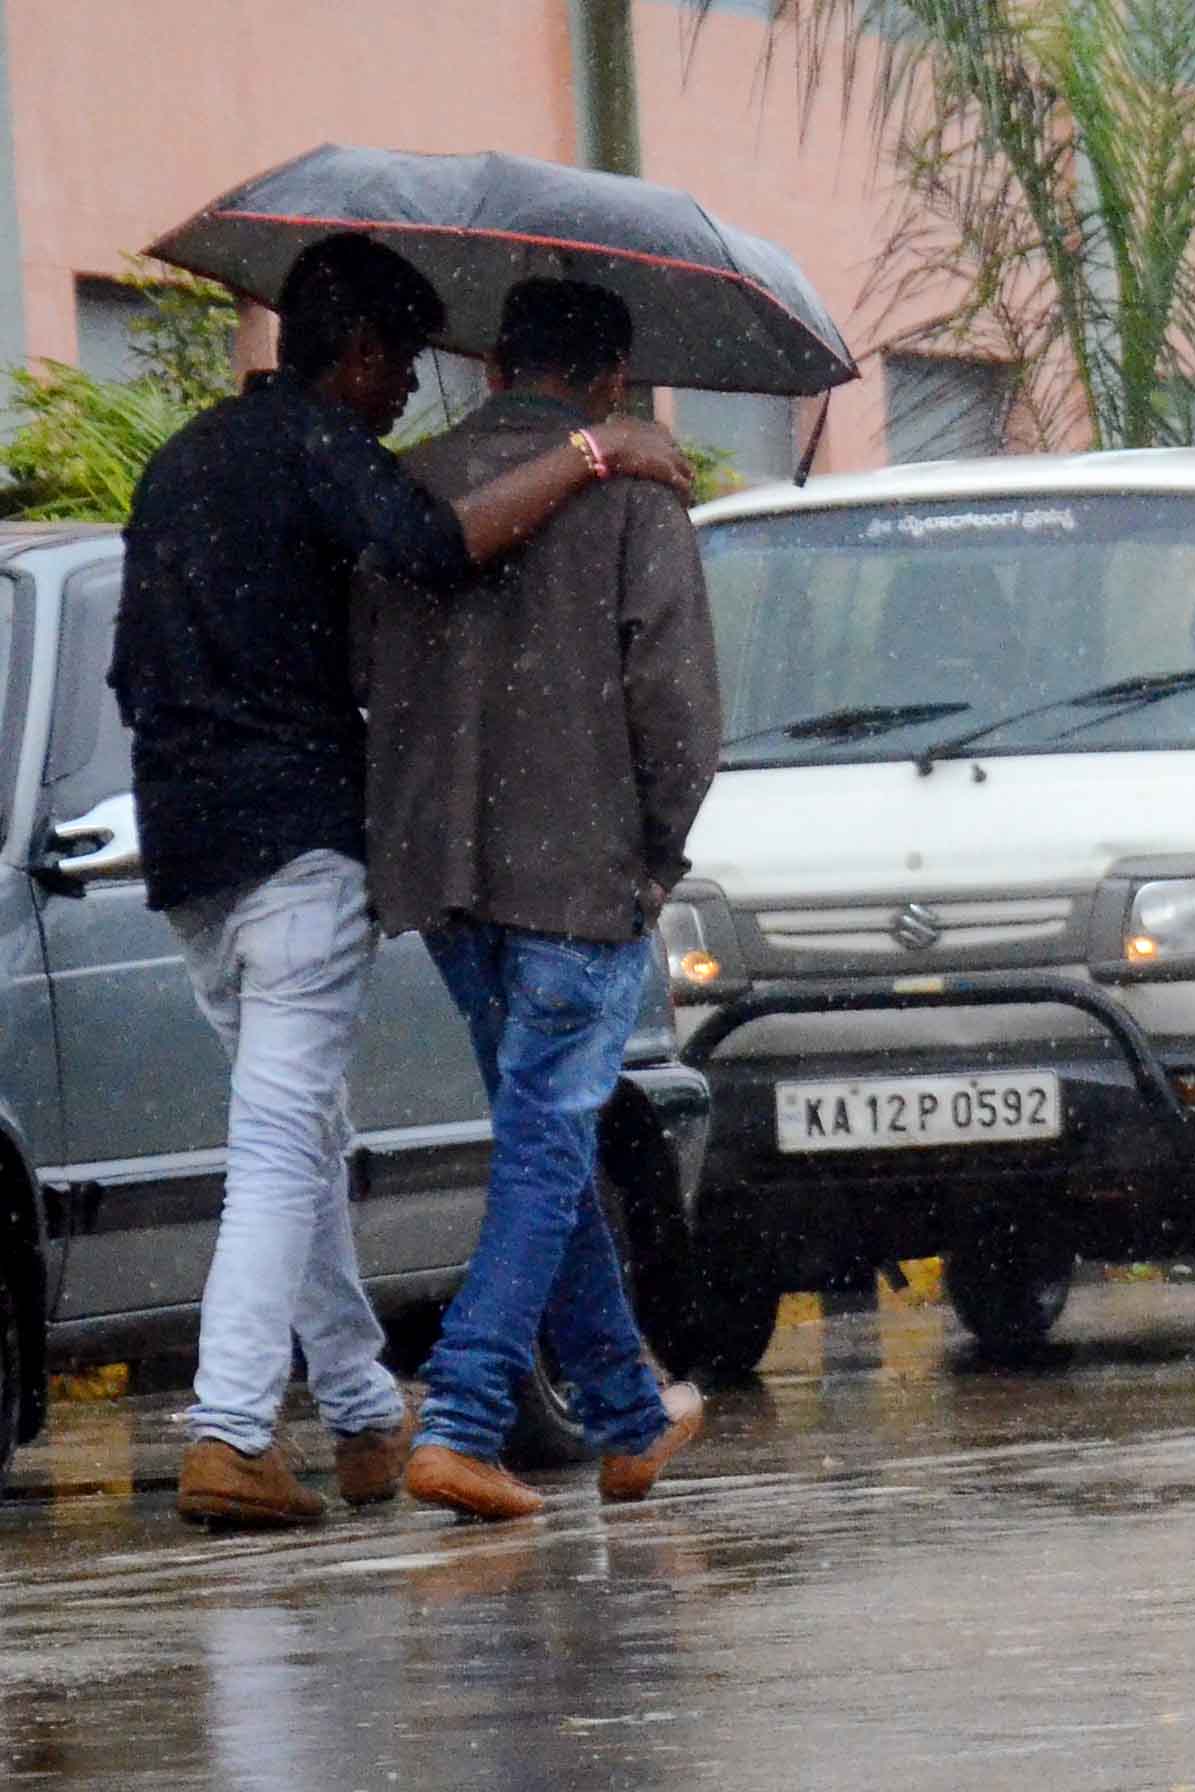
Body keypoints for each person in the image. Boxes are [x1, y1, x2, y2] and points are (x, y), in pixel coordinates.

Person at [113, 232, 694, 1528]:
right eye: (397, 373)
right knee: (299, 1144)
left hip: (191, 852)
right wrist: (602, 454)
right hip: (310, 850)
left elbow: (147, 664)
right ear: (361, 353)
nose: (402, 403)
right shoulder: (333, 455)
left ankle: (381, 1414)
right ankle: (251, 1427)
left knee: (317, 1137)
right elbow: (441, 551)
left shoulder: (183, 461)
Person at [358, 278, 724, 1522]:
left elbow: (369, 669)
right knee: (545, 1143)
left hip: (445, 873)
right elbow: (676, 711)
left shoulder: (414, 482)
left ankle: (625, 1412)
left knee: (542, 1139)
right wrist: (655, 858)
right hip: (579, 872)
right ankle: (459, 1417)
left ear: (498, 358)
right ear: (612, 382)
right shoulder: (636, 491)